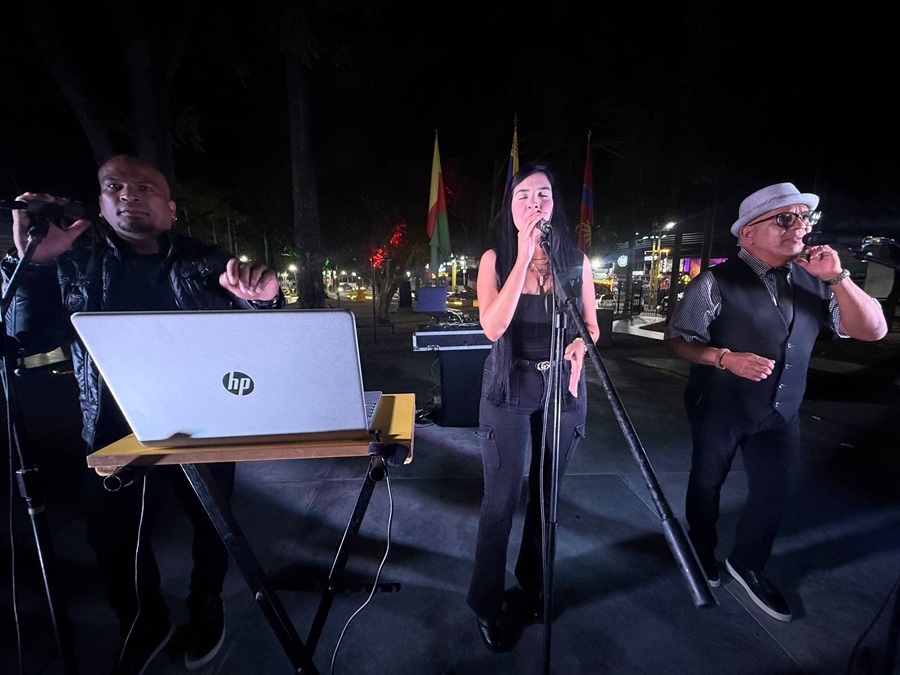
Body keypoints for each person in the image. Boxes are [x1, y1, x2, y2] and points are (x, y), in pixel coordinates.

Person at [2, 155, 285, 673]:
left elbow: (257, 332)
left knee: (213, 524)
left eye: (145, 187)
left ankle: (206, 602)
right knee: (112, 537)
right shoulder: (74, 263)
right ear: (101, 204)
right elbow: (27, 338)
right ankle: (142, 620)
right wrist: (33, 265)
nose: (129, 194)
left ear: (171, 208)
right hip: (109, 426)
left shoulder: (207, 260)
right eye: (115, 187)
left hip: (203, 424)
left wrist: (265, 300)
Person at [664, 182, 886, 622]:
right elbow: (677, 340)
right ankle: (702, 549)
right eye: (785, 218)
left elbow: (872, 331)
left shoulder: (815, 280)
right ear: (748, 232)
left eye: (804, 217)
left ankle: (748, 562)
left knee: (777, 490)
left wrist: (837, 278)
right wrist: (723, 358)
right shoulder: (714, 281)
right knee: (707, 482)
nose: (799, 226)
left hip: (781, 412)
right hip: (720, 406)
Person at [467, 164, 600, 652]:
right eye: (523, 195)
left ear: (554, 203)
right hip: (509, 385)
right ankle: (486, 600)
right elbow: (492, 326)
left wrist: (582, 345)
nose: (534, 203)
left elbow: (591, 324)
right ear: (511, 206)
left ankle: (533, 580)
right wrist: (523, 257)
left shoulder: (575, 260)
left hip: (562, 387)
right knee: (501, 500)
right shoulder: (495, 259)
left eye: (543, 194)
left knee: (547, 496)